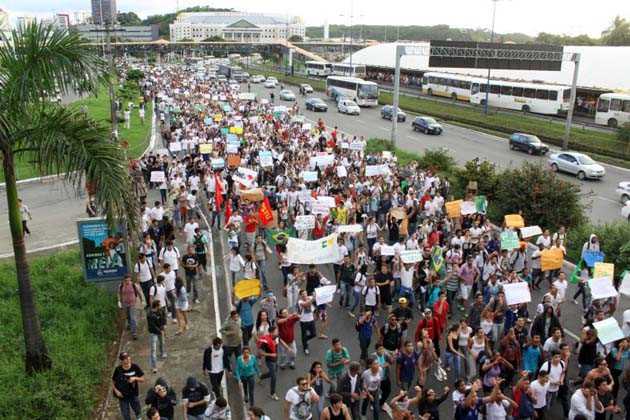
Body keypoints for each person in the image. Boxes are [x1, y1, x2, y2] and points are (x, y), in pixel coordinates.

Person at [112, 352, 145, 420]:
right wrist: (116, 391)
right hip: (122, 396)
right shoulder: (118, 369)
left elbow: (142, 379)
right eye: (125, 358)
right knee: (125, 414)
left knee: (138, 410)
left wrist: (135, 378)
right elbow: (113, 381)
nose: (127, 359)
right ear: (121, 361)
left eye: (128, 357)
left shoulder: (135, 367)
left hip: (133, 394)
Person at [257, 325, 280, 400]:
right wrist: (270, 354)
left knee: (272, 373)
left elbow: (281, 341)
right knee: (274, 377)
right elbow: (260, 352)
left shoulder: (276, 337)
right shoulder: (266, 341)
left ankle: (261, 376)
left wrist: (287, 347)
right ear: (272, 332)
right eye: (276, 331)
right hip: (269, 361)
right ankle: (272, 393)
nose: (278, 332)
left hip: (276, 359)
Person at [118, 274, 143, 340]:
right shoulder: (121, 286)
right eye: (126, 280)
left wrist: (141, 300)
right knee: (127, 316)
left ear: (130, 279)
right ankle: (129, 324)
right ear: (124, 280)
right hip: (125, 303)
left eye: (128, 280)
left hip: (132, 303)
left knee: (133, 318)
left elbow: (138, 292)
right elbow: (118, 294)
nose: (127, 281)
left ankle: (134, 333)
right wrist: (119, 301)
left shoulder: (133, 285)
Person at [147, 300, 167, 373]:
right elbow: (152, 326)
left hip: (160, 330)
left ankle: (162, 353)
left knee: (162, 343)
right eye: (159, 305)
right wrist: (160, 331)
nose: (161, 306)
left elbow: (163, 318)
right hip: (153, 333)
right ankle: (154, 366)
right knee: (153, 350)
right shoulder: (150, 315)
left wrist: (164, 325)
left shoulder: (160, 311)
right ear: (157, 306)